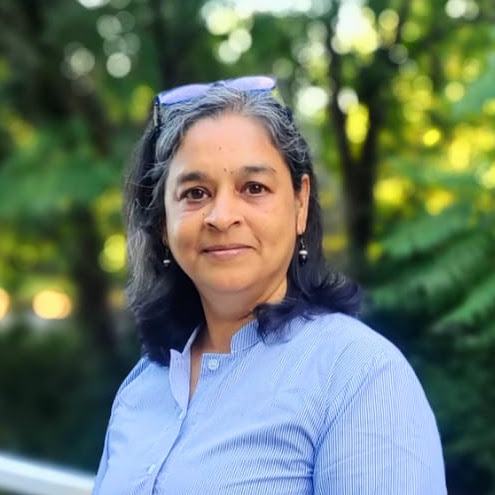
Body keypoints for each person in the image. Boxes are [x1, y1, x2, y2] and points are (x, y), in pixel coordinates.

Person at [92, 76, 447, 494]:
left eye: (254, 188)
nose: (222, 216)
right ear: (162, 225)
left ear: (300, 203)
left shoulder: (360, 377)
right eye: (195, 193)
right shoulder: (145, 383)